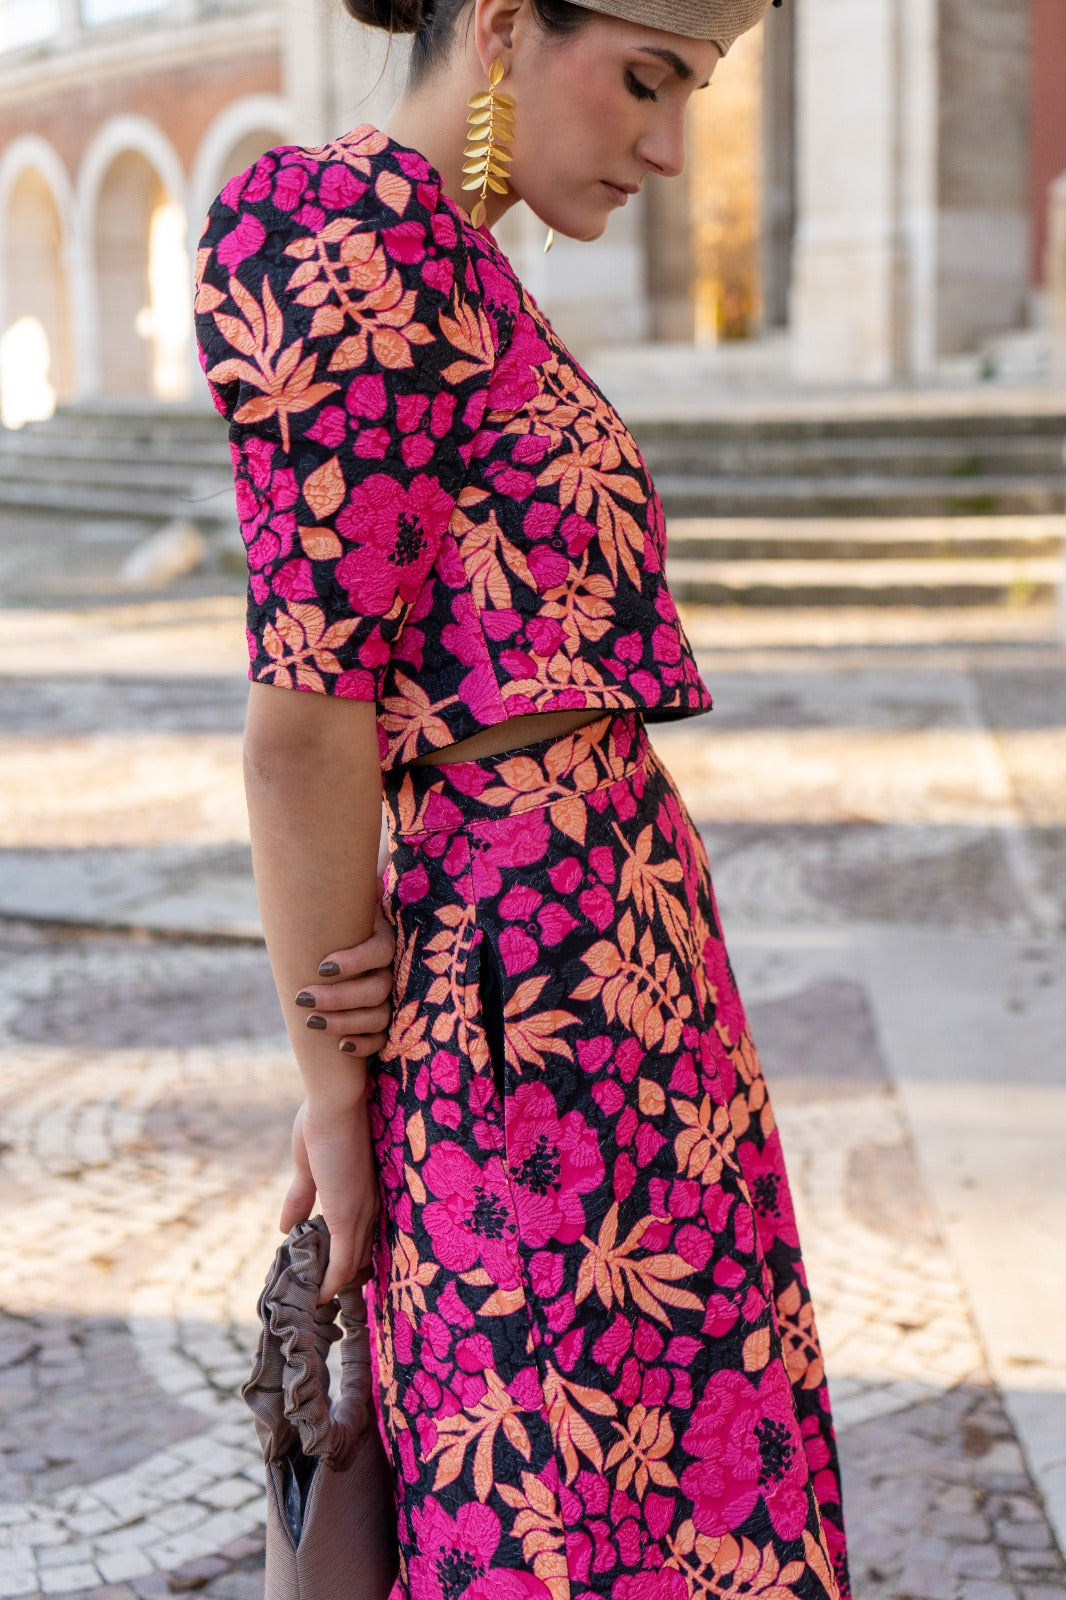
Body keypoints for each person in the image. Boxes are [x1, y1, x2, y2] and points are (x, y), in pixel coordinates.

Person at [194, 0, 850, 1592]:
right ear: (499, 26)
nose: (668, 147)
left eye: (693, 91)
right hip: (527, 997)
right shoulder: (338, 229)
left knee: (668, 1483)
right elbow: (305, 720)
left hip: (610, 974)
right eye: (646, 77)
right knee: (567, 1490)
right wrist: (333, 1085)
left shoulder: (457, 259)